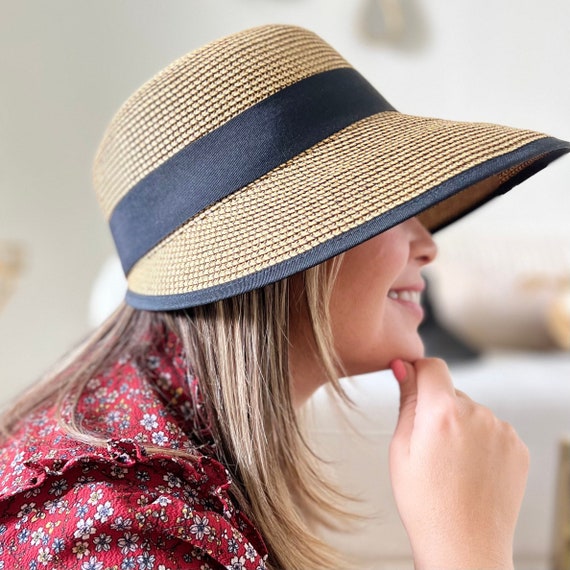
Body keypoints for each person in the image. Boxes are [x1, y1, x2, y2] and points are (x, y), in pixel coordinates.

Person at [0, 24, 568, 570]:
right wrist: (465, 544)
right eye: (389, 203)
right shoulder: (118, 531)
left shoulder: (170, 458)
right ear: (279, 254)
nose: (427, 245)